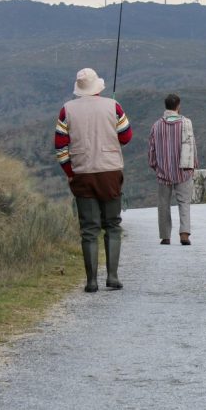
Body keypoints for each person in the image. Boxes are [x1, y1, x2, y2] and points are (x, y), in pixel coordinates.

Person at [54, 67, 132, 292]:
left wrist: (70, 173)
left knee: (89, 229)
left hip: (82, 173)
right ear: (97, 87)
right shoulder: (113, 106)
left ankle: (91, 281)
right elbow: (126, 137)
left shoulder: (66, 110)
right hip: (110, 172)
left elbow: (60, 147)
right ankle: (113, 277)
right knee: (113, 225)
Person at [147, 93, 198, 245]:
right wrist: (193, 164)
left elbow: (151, 149)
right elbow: (191, 146)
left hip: (163, 171)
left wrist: (155, 165)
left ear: (166, 106)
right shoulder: (186, 123)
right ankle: (184, 234)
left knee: (163, 204)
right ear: (178, 106)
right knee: (184, 203)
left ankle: (165, 236)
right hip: (183, 170)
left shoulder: (156, 125)